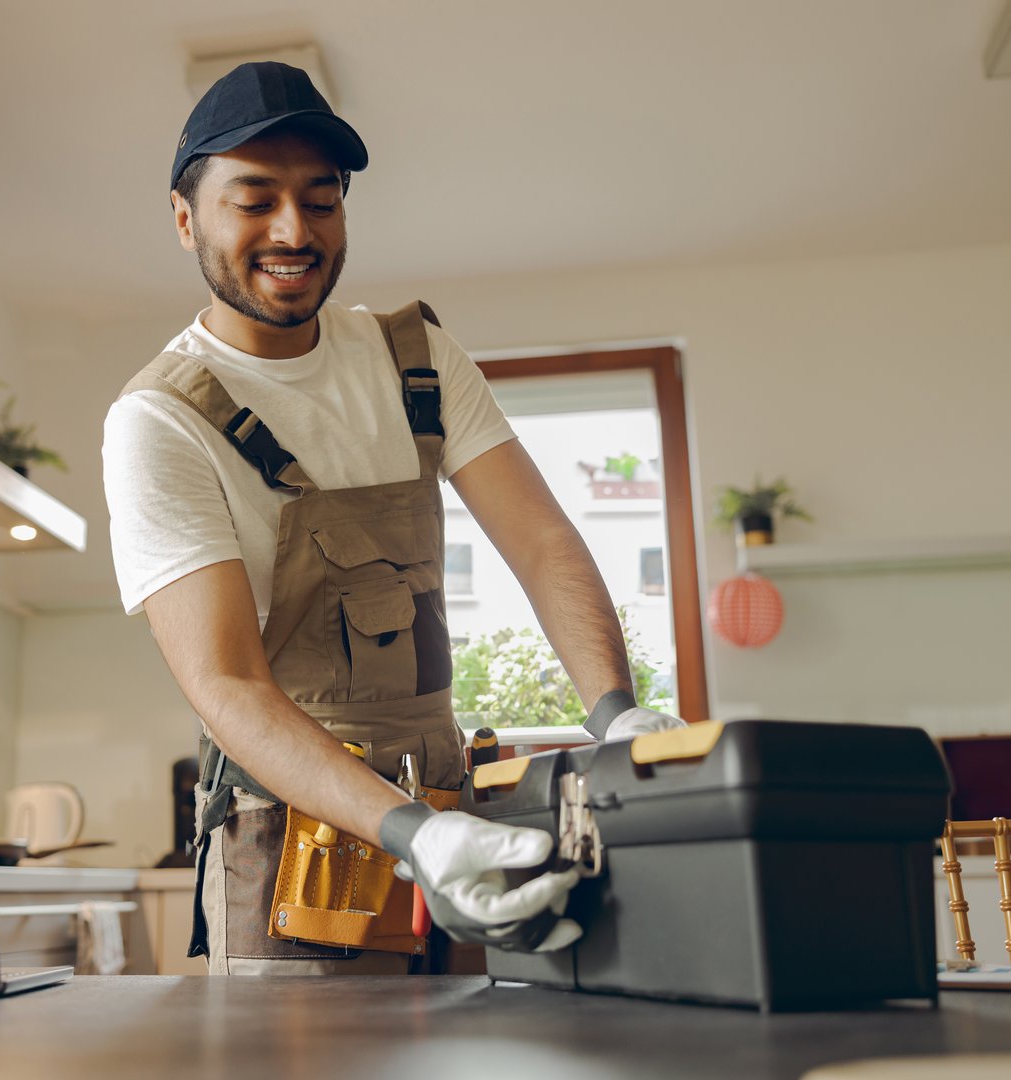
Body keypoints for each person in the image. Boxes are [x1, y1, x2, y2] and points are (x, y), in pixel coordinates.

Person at [103, 61, 683, 975]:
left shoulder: (416, 357)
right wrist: (409, 833)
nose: (293, 231)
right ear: (186, 220)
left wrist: (617, 715)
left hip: (448, 806)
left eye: (321, 200)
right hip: (291, 842)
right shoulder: (159, 420)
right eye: (253, 201)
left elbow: (540, 543)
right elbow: (229, 688)